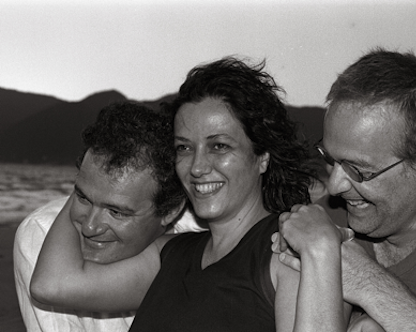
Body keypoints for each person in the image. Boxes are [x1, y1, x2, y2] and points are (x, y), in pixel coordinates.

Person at [30, 57, 353, 332]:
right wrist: (93, 184)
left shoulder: (284, 252)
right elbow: (52, 284)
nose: (197, 166)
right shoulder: (170, 255)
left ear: (262, 156)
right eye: (184, 147)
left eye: (219, 146)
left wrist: (321, 251)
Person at [274, 48, 416, 332]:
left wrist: (368, 282)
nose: (335, 186)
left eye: (360, 170)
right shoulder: (326, 220)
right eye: (331, 159)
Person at [14, 101, 204, 331]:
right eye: (83, 197)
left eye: (116, 212)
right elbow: (49, 287)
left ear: (170, 211)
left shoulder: (201, 243)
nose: (90, 228)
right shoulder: (43, 234)